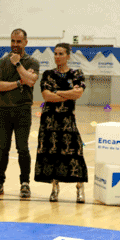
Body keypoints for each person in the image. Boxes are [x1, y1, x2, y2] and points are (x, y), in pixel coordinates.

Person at [0, 28, 39, 198]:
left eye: (18, 41)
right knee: (3, 148)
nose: (15, 44)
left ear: (25, 42)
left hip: (23, 110)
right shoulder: (2, 62)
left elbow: (31, 81)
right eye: (12, 41)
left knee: (23, 148)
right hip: (3, 110)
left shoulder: (32, 62)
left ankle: (25, 184)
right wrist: (19, 83)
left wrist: (18, 64)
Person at [34, 43, 87, 203]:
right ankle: (55, 188)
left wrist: (57, 92)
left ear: (68, 55)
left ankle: (79, 188)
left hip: (68, 120)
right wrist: (67, 94)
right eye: (56, 53)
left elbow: (78, 94)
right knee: (52, 154)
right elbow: (47, 96)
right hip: (49, 121)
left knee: (75, 152)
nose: (57, 56)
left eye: (61, 53)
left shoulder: (76, 74)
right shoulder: (48, 74)